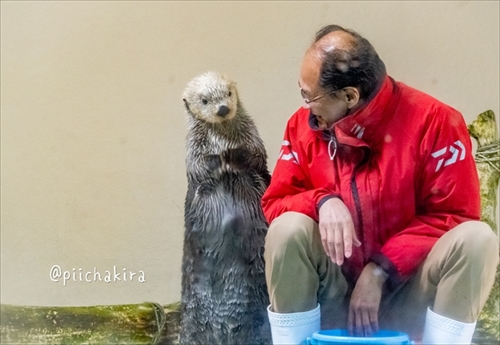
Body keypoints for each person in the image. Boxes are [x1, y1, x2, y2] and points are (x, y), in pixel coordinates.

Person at [262, 24, 499, 345]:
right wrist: (321, 201)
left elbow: (454, 216)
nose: (306, 106)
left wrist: (380, 271)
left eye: (309, 96)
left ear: (349, 96)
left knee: (477, 239)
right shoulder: (301, 128)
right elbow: (275, 203)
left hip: (408, 296)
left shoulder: (436, 122)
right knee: (286, 228)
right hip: (332, 295)